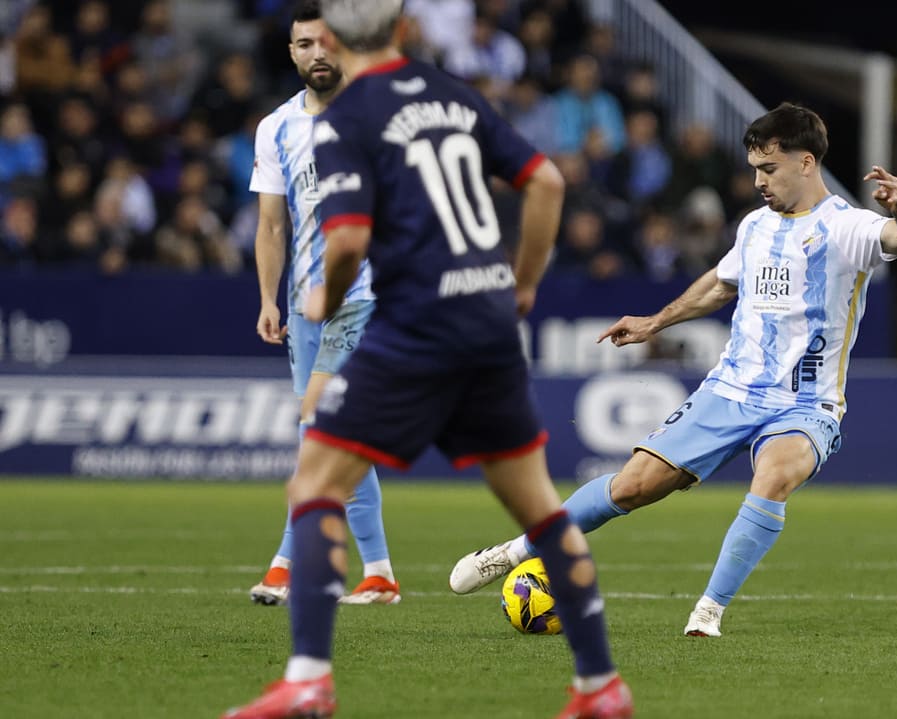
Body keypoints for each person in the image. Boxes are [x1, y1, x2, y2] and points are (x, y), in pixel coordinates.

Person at [223, 1, 633, 718]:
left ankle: (310, 678)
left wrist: (325, 297)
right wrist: (526, 281)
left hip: (414, 322)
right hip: (488, 317)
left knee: (315, 474)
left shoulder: (346, 117)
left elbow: (345, 243)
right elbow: (546, 182)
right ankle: (601, 685)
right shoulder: (451, 96)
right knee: (537, 505)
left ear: (340, 42)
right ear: (405, 32)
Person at [450, 102, 897, 638]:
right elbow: (721, 284)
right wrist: (656, 322)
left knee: (773, 476)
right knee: (632, 487)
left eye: (768, 169)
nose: (758, 181)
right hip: (729, 389)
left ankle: (708, 612)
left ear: (807, 162)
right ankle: (514, 550)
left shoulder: (847, 227)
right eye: (754, 169)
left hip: (805, 402)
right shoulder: (753, 227)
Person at [246, 0, 400, 607]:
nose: (316, 53)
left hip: (366, 295)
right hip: (306, 305)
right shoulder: (276, 127)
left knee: (319, 427)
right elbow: (271, 225)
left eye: (325, 42)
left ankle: (287, 563)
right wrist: (267, 298)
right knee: (340, 435)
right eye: (304, 44)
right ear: (292, 52)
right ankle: (380, 575)